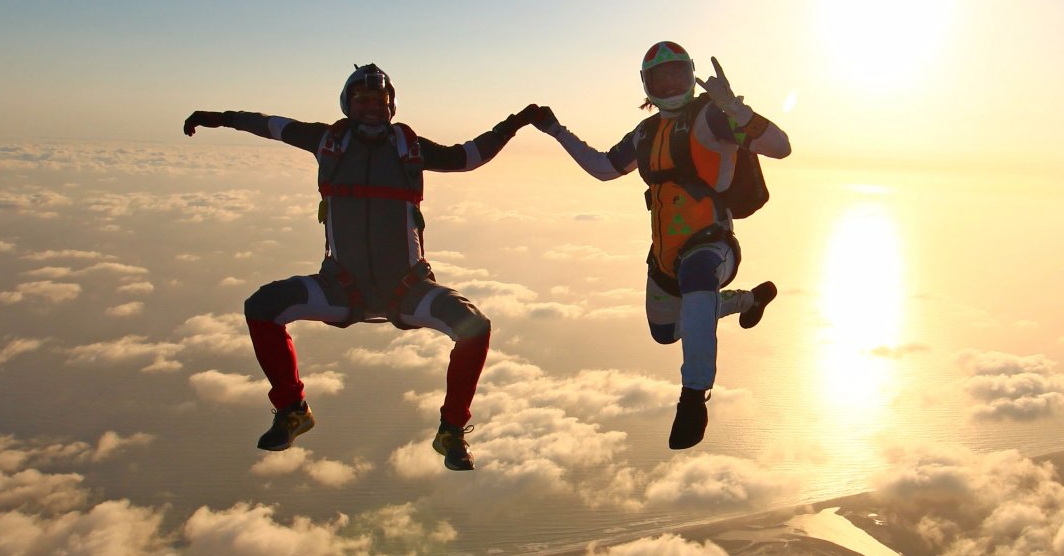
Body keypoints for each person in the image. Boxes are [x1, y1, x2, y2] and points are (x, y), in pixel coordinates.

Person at [183, 64, 543, 471]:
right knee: (262, 306)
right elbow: (269, 124)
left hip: (406, 288)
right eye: (364, 100)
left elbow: (468, 156)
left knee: (474, 327)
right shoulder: (325, 140)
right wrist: (219, 119)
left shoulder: (410, 148)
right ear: (348, 104)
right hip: (341, 286)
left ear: (391, 108)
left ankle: (452, 432)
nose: (373, 107)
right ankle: (292, 410)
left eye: (381, 101)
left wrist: (516, 123)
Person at [532, 42, 790, 449]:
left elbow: (780, 146)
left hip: (712, 244)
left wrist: (737, 111)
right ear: (646, 85)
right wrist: (556, 131)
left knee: (698, 278)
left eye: (676, 74)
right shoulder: (645, 132)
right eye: (660, 77)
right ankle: (746, 301)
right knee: (667, 331)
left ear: (690, 76)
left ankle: (694, 398)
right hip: (665, 256)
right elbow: (603, 167)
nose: (669, 84)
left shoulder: (713, 117)